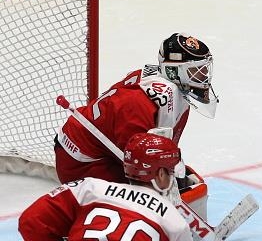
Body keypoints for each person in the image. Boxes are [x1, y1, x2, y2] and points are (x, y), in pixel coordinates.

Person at [54, 32, 217, 217]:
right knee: (141, 203)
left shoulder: (172, 92)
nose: (204, 77)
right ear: (174, 70)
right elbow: (140, 165)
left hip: (105, 151)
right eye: (196, 71)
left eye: (204, 70)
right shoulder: (139, 106)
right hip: (80, 161)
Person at [19, 132, 193, 240]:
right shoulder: (176, 223)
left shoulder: (89, 188)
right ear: (160, 174)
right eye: (170, 171)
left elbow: (30, 221)